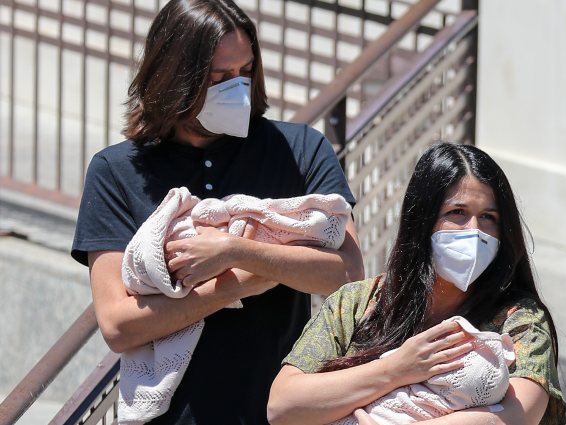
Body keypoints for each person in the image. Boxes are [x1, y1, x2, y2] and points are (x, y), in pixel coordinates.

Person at [70, 0, 364, 423]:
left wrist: (236, 252)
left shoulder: (300, 150)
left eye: (245, 72)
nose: (237, 88)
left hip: (277, 410)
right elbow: (118, 325)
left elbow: (348, 272)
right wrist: (239, 284)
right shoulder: (116, 170)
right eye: (219, 77)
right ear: (173, 77)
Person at [267, 143, 566, 425]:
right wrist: (397, 369)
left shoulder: (520, 319)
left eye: (488, 217)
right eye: (457, 213)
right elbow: (282, 405)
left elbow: (517, 415)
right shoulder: (357, 303)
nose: (475, 231)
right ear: (421, 220)